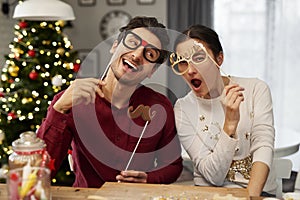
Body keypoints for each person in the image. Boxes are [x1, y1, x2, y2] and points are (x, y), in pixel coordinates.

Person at [37, 16, 183, 188]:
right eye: (132, 43)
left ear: (153, 70)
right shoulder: (71, 100)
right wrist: (59, 109)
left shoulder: (159, 107)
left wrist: (148, 178)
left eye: (149, 54)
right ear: (115, 46)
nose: (136, 55)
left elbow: (173, 166)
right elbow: (39, 172)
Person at [169, 24, 276, 197]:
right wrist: (230, 125)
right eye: (182, 62)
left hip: (257, 193)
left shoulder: (256, 89)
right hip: (210, 193)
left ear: (219, 59)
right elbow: (213, 177)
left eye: (198, 58)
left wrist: (251, 197)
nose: (190, 70)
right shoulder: (183, 109)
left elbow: (263, 145)